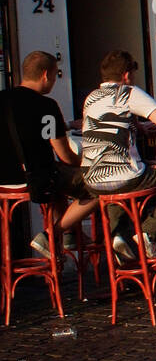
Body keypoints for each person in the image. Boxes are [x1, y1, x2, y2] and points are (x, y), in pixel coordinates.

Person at [81, 50, 156, 264]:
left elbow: (110, 123)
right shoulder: (128, 92)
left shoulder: (91, 97)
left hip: (93, 179)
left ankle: (119, 238)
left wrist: (139, 128)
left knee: (120, 188)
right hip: (124, 176)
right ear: (126, 75)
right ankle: (150, 233)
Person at [0, 51, 96, 259]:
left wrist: (67, 125)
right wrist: (85, 163)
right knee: (100, 184)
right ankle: (53, 234)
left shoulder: (3, 99)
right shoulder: (47, 106)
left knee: (59, 184)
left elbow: (33, 130)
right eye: (55, 75)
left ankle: (70, 234)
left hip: (4, 181)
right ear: (45, 75)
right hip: (37, 177)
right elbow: (64, 155)